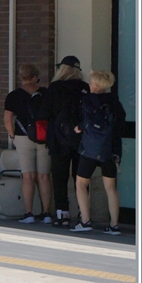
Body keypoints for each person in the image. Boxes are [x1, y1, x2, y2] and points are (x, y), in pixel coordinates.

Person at [72, 70, 125, 235]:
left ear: (95, 85)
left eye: (91, 82)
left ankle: (85, 221)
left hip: (90, 148)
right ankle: (114, 225)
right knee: (111, 188)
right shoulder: (114, 101)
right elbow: (120, 122)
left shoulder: (88, 100)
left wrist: (78, 128)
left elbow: (86, 121)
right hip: (110, 149)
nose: (89, 84)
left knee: (81, 184)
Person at [5, 63, 53, 224]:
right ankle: (47, 213)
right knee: (44, 176)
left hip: (22, 136)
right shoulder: (45, 93)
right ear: (35, 76)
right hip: (44, 137)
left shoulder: (13, 95)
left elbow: (7, 119)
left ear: (21, 77)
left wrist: (12, 135)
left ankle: (29, 213)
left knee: (28, 176)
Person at [44, 57, 89, 227]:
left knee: (59, 178)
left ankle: (62, 215)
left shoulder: (55, 88)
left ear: (62, 69)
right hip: (81, 139)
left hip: (58, 140)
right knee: (81, 179)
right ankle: (83, 214)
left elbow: (45, 112)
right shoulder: (85, 88)